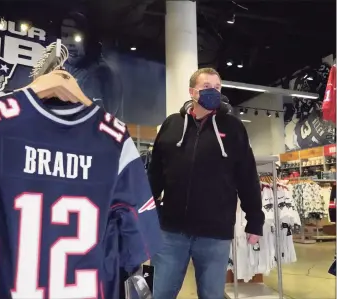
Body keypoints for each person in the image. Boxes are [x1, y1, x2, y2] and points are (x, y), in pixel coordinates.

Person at [148, 67, 265, 299]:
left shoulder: (233, 128)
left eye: (218, 87)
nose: (214, 92)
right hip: (170, 231)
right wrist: (144, 214)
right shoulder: (171, 125)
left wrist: (255, 220)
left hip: (215, 233)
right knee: (159, 292)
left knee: (212, 295)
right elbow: (155, 175)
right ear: (192, 91)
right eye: (207, 87)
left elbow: (247, 176)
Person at [61, 11, 123, 117]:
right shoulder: (61, 69)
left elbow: (101, 119)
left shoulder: (101, 73)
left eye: (75, 36)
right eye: (65, 35)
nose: (69, 42)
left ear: (87, 39)